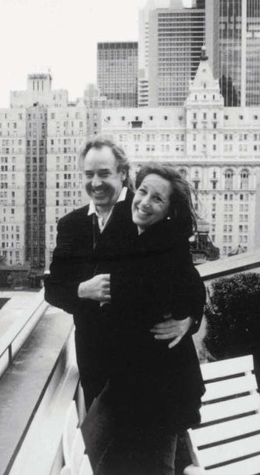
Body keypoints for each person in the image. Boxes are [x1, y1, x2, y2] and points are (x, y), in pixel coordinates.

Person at [82, 164, 206, 475]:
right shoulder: (130, 230)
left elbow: (184, 292)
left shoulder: (169, 246)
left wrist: (188, 320)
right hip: (129, 381)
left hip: (161, 390)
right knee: (89, 452)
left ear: (169, 211)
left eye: (157, 199)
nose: (145, 202)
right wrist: (190, 319)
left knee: (149, 466)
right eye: (143, 191)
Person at [44, 137, 137, 409]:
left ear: (122, 173)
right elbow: (53, 289)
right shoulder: (71, 225)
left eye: (104, 173)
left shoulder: (145, 213)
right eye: (89, 174)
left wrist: (188, 318)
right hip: (95, 367)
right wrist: (83, 290)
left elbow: (183, 277)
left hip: (145, 363)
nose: (95, 183)